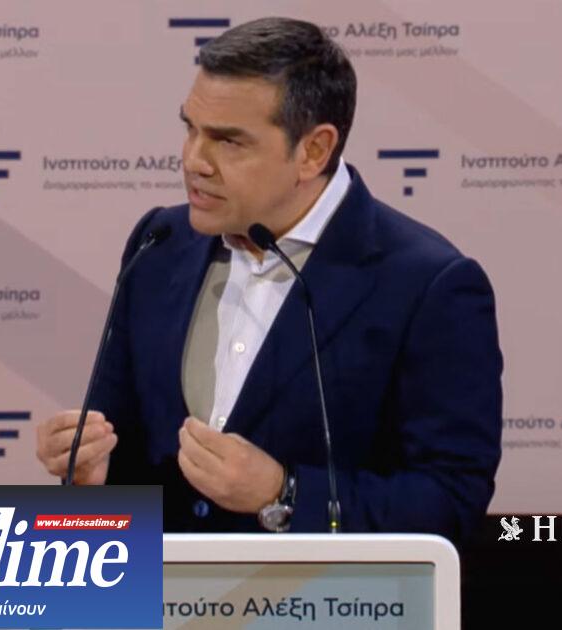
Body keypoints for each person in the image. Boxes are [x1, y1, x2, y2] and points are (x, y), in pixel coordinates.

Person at [34, 17, 503, 540]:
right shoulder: (159, 244)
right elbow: (132, 448)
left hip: (327, 592)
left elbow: (450, 500)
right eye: (190, 129)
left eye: (228, 141)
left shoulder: (428, 284)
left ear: (314, 150)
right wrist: (97, 474)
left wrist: (284, 493)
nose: (194, 161)